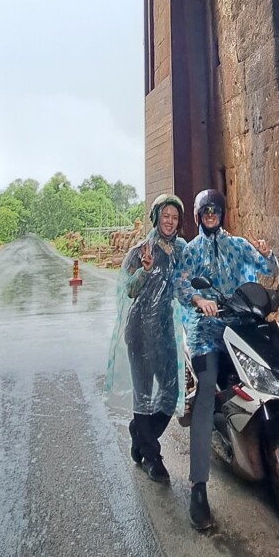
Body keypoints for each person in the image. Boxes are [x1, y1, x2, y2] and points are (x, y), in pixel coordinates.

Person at [175, 188, 277, 530]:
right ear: (197, 216)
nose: (210, 216)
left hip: (240, 324)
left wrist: (268, 254)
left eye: (214, 211)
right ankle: (198, 488)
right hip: (206, 331)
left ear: (222, 213)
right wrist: (196, 301)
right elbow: (180, 285)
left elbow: (265, 268)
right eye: (205, 212)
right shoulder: (190, 252)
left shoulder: (237, 244)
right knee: (206, 396)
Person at [104, 194, 185, 484]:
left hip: (164, 331)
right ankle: (153, 458)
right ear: (155, 217)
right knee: (144, 394)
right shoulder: (140, 250)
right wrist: (144, 270)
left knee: (170, 394)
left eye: (175, 217)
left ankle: (139, 433)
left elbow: (190, 277)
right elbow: (127, 289)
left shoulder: (181, 249)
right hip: (139, 331)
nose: (170, 221)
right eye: (165, 216)